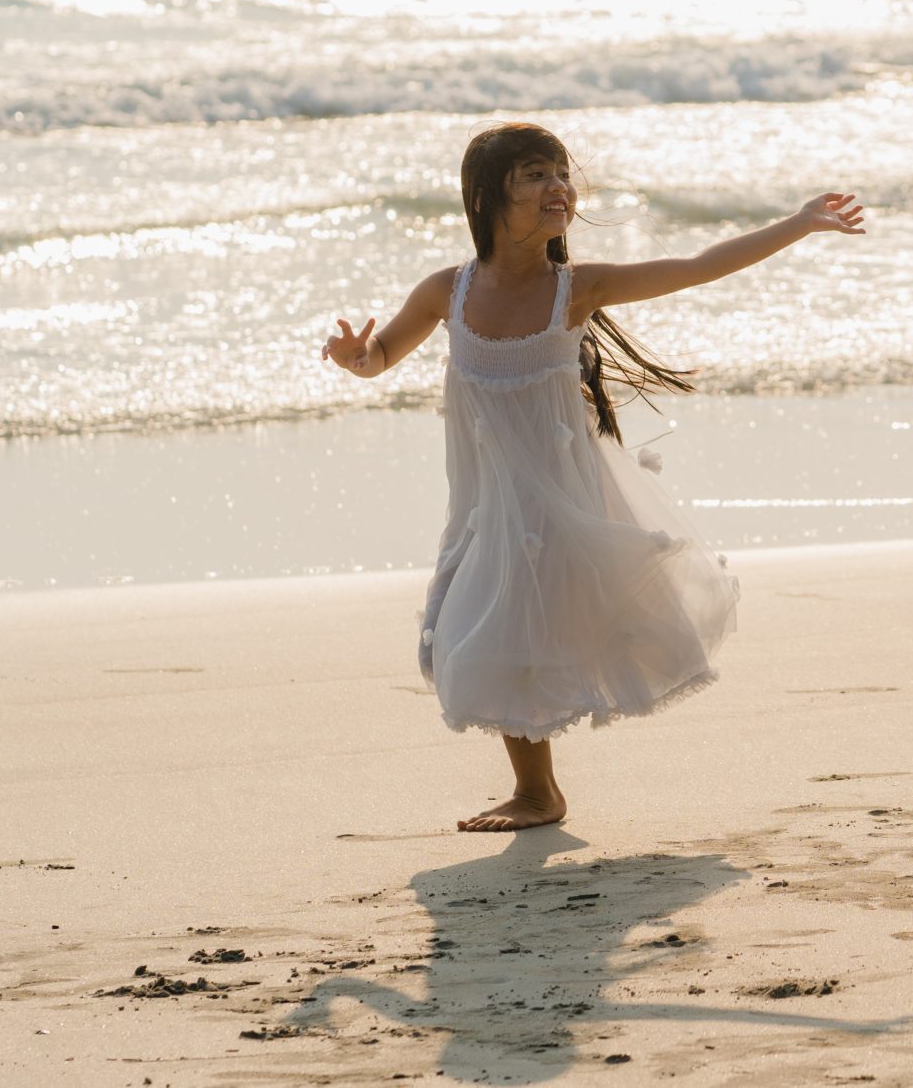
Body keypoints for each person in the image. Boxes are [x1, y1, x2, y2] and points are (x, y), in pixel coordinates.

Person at [322, 121, 865, 831]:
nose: (558, 187)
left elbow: (699, 264)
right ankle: (538, 790)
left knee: (518, 627)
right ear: (485, 197)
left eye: (561, 173)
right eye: (534, 175)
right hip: (487, 500)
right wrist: (356, 357)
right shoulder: (447, 291)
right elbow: (381, 357)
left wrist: (798, 222)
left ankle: (537, 794)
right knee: (488, 631)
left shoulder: (576, 289)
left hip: (562, 497)